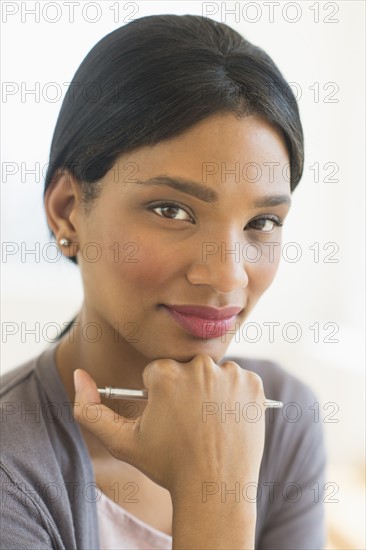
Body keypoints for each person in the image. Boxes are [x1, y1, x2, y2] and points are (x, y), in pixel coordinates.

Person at [0, 14, 327, 550]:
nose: (227, 273)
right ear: (67, 213)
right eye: (171, 210)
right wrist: (215, 495)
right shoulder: (12, 471)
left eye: (261, 223)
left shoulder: (284, 418)